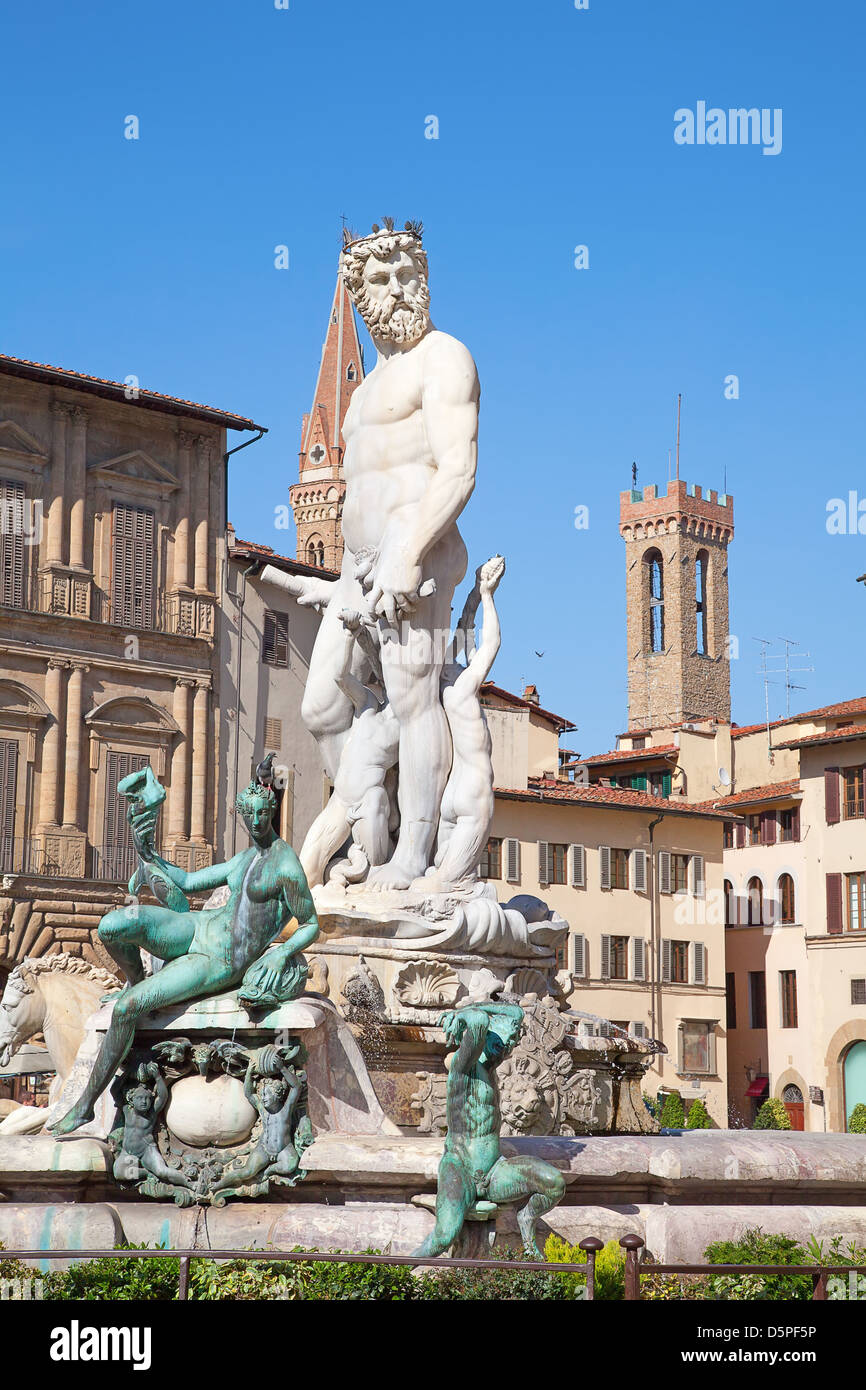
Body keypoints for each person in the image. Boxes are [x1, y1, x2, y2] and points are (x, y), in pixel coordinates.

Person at [299, 221, 480, 889]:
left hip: (419, 556)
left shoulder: (446, 358)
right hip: (356, 566)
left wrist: (408, 547)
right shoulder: (368, 389)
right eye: (380, 279)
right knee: (320, 707)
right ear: (356, 292)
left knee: (413, 702)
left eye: (408, 275)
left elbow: (459, 470)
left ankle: (414, 854)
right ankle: (373, 816)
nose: (398, 289)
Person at [50, 776, 319, 1136]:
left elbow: (311, 923)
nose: (255, 821)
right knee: (113, 925)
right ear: (241, 815)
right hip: (199, 925)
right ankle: (135, 978)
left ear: (271, 812)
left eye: (262, 813)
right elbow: (189, 882)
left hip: (220, 959)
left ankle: (84, 1107)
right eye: (249, 814)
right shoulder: (246, 858)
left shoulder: (286, 866)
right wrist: (149, 854)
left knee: (128, 1008)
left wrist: (280, 953)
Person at [412, 1002, 566, 1259]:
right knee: (444, 1237)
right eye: (501, 1041)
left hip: (495, 1170)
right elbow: (479, 1023)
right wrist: (464, 1014)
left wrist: (480, 1006)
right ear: (483, 1040)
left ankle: (526, 1218)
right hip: (461, 1166)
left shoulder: (490, 1070)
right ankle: (394, 1273)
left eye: (510, 1043)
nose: (505, 1047)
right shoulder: (463, 1068)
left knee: (555, 1184)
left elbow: (515, 1013)